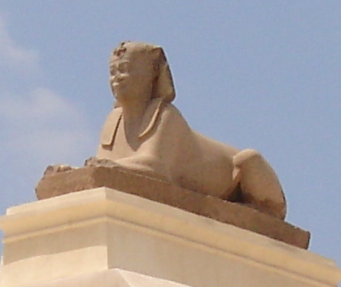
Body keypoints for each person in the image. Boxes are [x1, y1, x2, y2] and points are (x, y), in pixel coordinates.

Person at [92, 42, 288, 219]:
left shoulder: (165, 115)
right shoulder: (114, 120)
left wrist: (113, 167)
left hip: (232, 181)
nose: (116, 79)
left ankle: (264, 209)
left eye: (124, 69)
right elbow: (100, 166)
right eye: (113, 71)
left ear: (151, 75)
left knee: (248, 158)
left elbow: (155, 167)